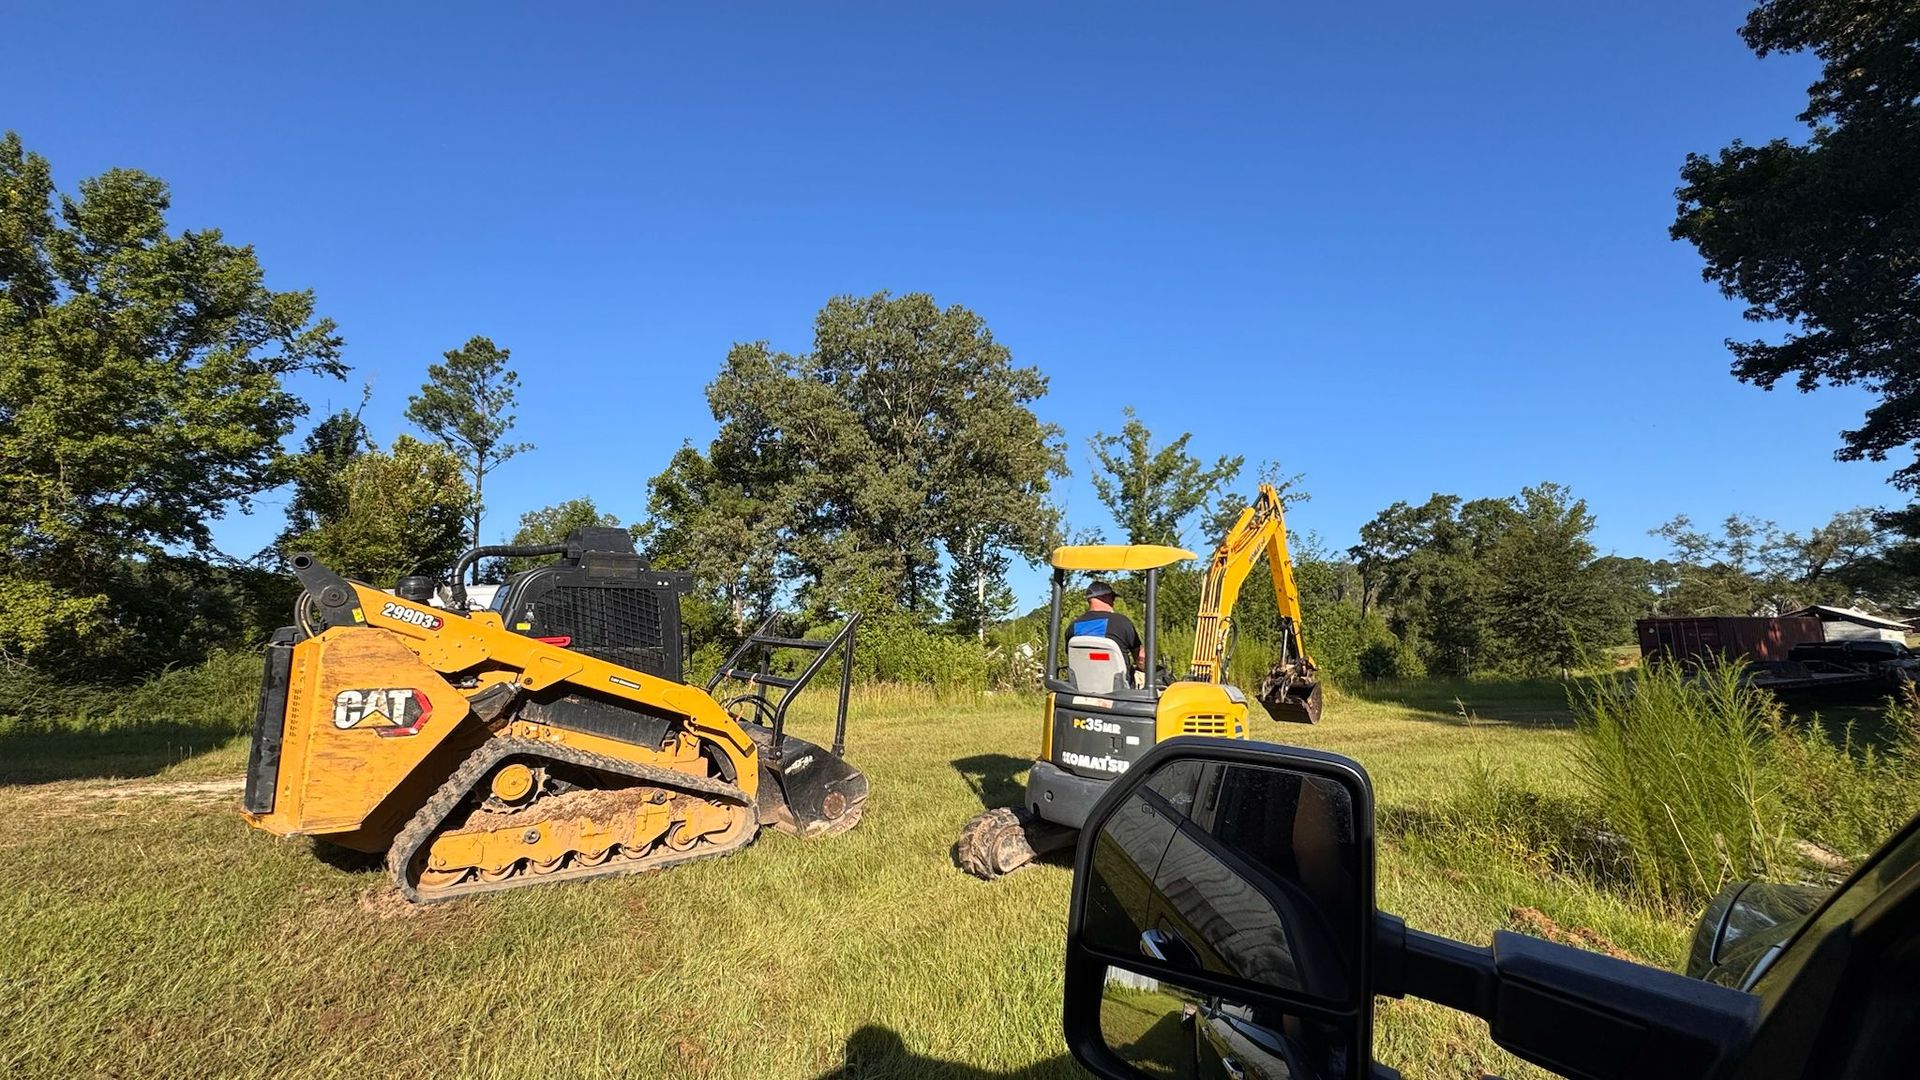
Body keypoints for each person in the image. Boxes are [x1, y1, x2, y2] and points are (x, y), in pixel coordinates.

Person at [1070, 581, 1144, 673]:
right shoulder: (1121, 622)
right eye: (1113, 598)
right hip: (1118, 685)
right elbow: (1140, 657)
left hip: (1081, 684)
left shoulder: (1072, 627)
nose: (1113, 602)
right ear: (1105, 597)